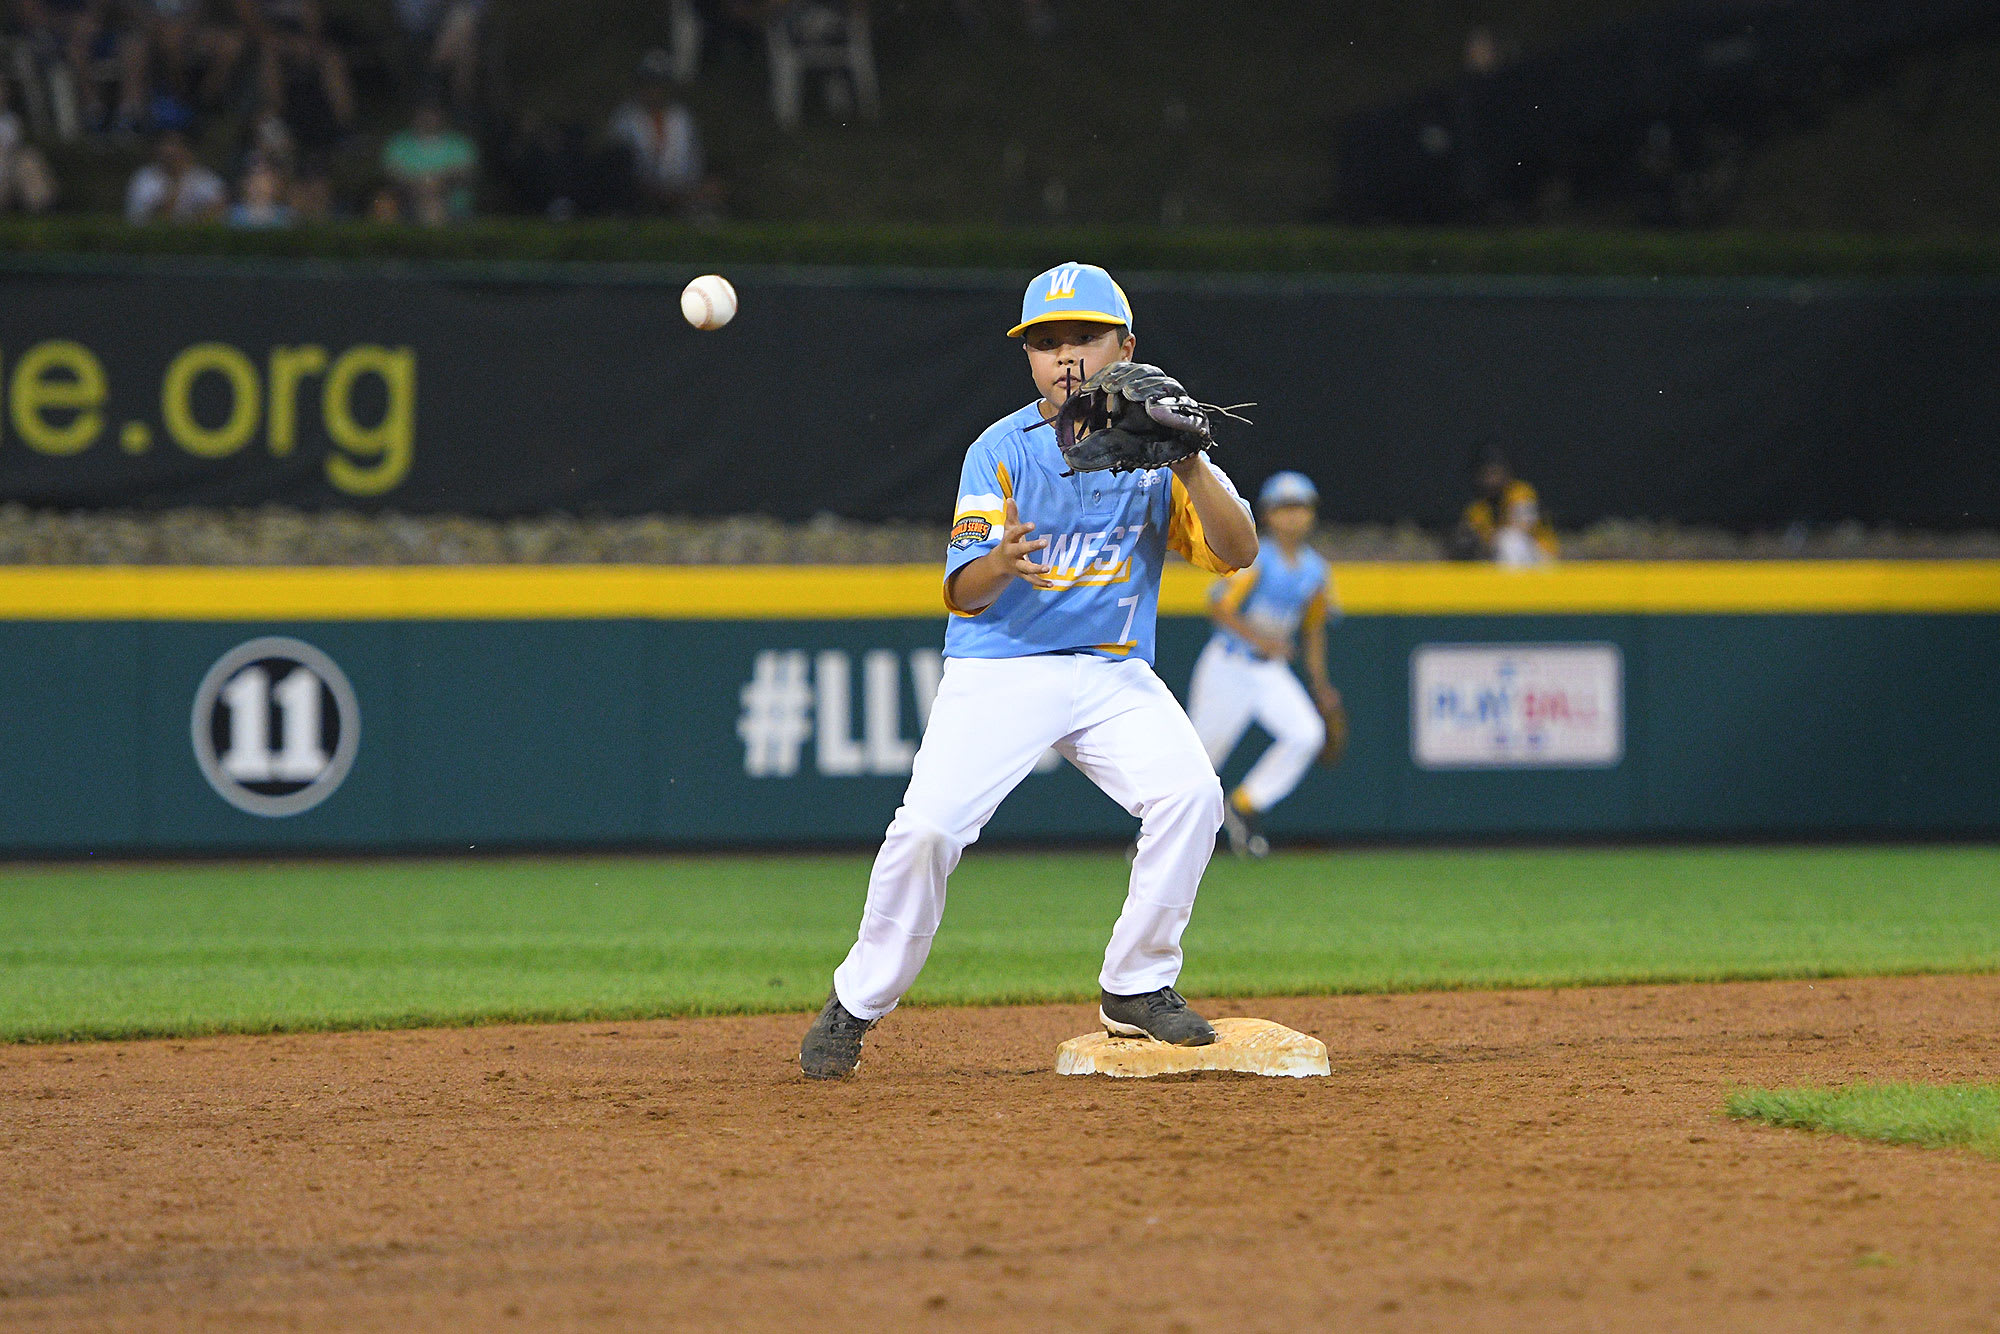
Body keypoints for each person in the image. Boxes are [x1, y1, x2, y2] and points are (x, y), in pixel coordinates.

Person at [799, 261, 1259, 1079]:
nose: (1065, 358)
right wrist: (1002, 560)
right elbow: (963, 593)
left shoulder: (1162, 452)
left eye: (1083, 337)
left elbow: (1238, 551)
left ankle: (1138, 983)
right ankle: (856, 1003)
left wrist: (1192, 461)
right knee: (930, 829)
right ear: (1028, 360)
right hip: (1000, 668)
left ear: (1126, 345)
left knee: (1191, 796)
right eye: (1046, 344)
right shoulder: (999, 451)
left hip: (1113, 671)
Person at [1186, 471, 1339, 858]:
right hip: (1229, 665)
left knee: (1306, 733)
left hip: (1268, 671)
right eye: (1285, 508)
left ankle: (1246, 805)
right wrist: (1263, 640)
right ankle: (1154, 835)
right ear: (1268, 515)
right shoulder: (1255, 558)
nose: (1294, 516)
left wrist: (1320, 684)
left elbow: (1315, 629)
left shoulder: (1315, 569)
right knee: (1201, 758)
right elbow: (1218, 607)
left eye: (1301, 507)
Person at [606, 48, 709, 215]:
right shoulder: (625, 118)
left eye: (659, 83)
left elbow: (694, 162)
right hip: (638, 198)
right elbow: (617, 169)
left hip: (683, 195)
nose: (654, 90)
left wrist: (687, 191)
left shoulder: (681, 118)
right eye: (649, 83)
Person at [1453, 444, 1558, 566]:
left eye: (1495, 473)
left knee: (1508, 540)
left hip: (1542, 560)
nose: (1491, 480)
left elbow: (1524, 526)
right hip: (1504, 563)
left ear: (1506, 473)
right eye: (1486, 474)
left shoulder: (1520, 492)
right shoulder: (1477, 509)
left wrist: (1491, 537)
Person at [380, 98, 475, 224]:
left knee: (434, 206)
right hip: (408, 204)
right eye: (423, 114)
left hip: (453, 206)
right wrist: (421, 186)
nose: (428, 118)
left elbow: (466, 172)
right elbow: (392, 173)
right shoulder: (398, 144)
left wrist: (439, 184)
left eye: (432, 114)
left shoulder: (460, 144)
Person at [125, 127, 225, 221]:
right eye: (166, 145)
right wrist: (175, 183)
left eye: (177, 145)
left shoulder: (206, 178)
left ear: (188, 150)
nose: (170, 151)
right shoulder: (144, 178)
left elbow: (220, 212)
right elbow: (146, 218)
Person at [0, 79, 57, 212]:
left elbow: (16, 151)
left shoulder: (12, 121)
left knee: (29, 158)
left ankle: (42, 203)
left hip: (11, 171)